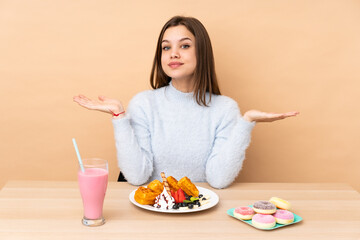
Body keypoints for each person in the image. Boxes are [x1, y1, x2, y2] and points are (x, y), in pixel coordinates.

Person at [73, 16, 298, 189]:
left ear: (202, 52)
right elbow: (137, 176)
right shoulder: (143, 104)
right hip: (150, 214)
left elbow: (218, 180)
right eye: (166, 47)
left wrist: (246, 123)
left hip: (200, 215)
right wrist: (119, 118)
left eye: (185, 46)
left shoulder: (225, 109)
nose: (173, 54)